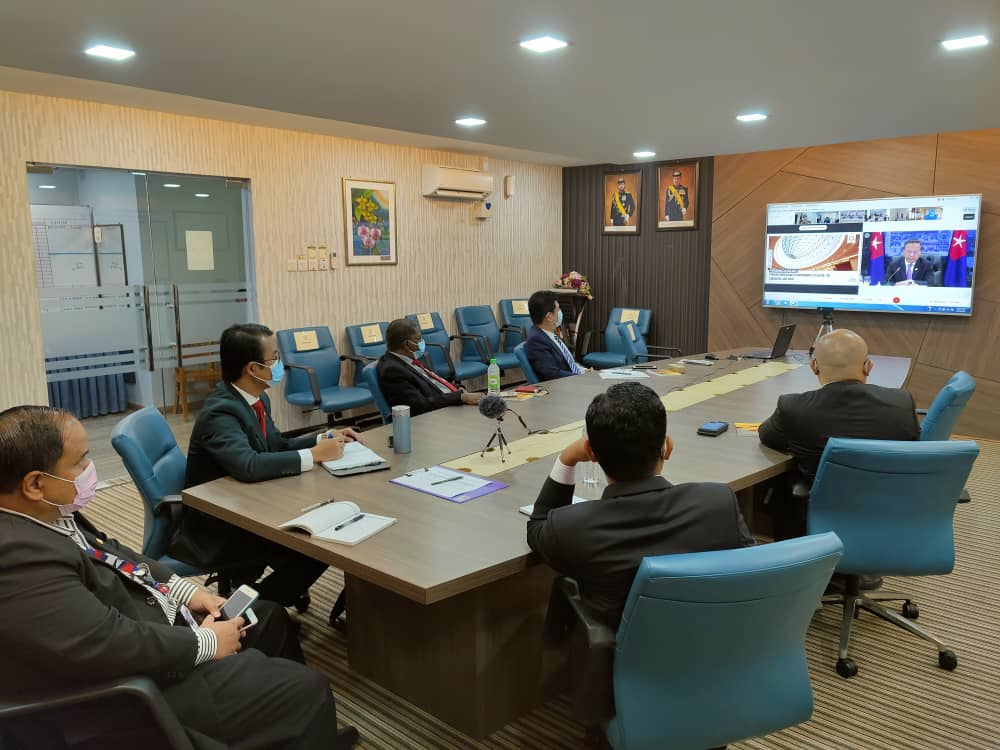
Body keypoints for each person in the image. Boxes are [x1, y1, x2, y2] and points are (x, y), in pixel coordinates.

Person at [0, 405, 355, 750]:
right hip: (135, 694)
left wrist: (187, 592)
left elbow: (113, 553)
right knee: (306, 689)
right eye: (80, 461)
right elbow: (106, 644)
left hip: (155, 629)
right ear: (35, 484)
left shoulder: (47, 512)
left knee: (268, 617)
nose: (89, 469)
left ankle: (299, 731)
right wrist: (206, 642)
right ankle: (299, 715)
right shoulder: (17, 558)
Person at [171, 323, 360, 608]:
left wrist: (323, 438)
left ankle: (258, 600)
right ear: (253, 368)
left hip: (248, 504)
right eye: (275, 358)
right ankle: (242, 612)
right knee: (317, 547)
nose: (280, 364)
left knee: (316, 540)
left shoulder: (256, 399)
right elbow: (248, 465)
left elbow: (276, 444)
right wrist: (314, 455)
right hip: (221, 526)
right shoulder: (221, 411)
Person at [758, 329, 920, 540]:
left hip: (820, 508)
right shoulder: (901, 402)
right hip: (889, 506)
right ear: (868, 366)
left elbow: (768, 437)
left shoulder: (793, 407)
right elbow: (913, 445)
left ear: (814, 366)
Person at [376, 318, 483, 416]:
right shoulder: (392, 370)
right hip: (438, 414)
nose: (421, 342)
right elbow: (419, 406)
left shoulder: (408, 359)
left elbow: (433, 383)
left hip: (448, 400)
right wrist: (460, 397)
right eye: (418, 339)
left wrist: (458, 389)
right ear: (406, 344)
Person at [523, 290, 586, 381]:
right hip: (564, 384)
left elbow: (568, 362)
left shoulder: (550, 333)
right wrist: (581, 377)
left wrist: (583, 370)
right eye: (558, 310)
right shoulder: (537, 340)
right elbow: (552, 373)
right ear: (549, 316)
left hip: (575, 377)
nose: (560, 313)